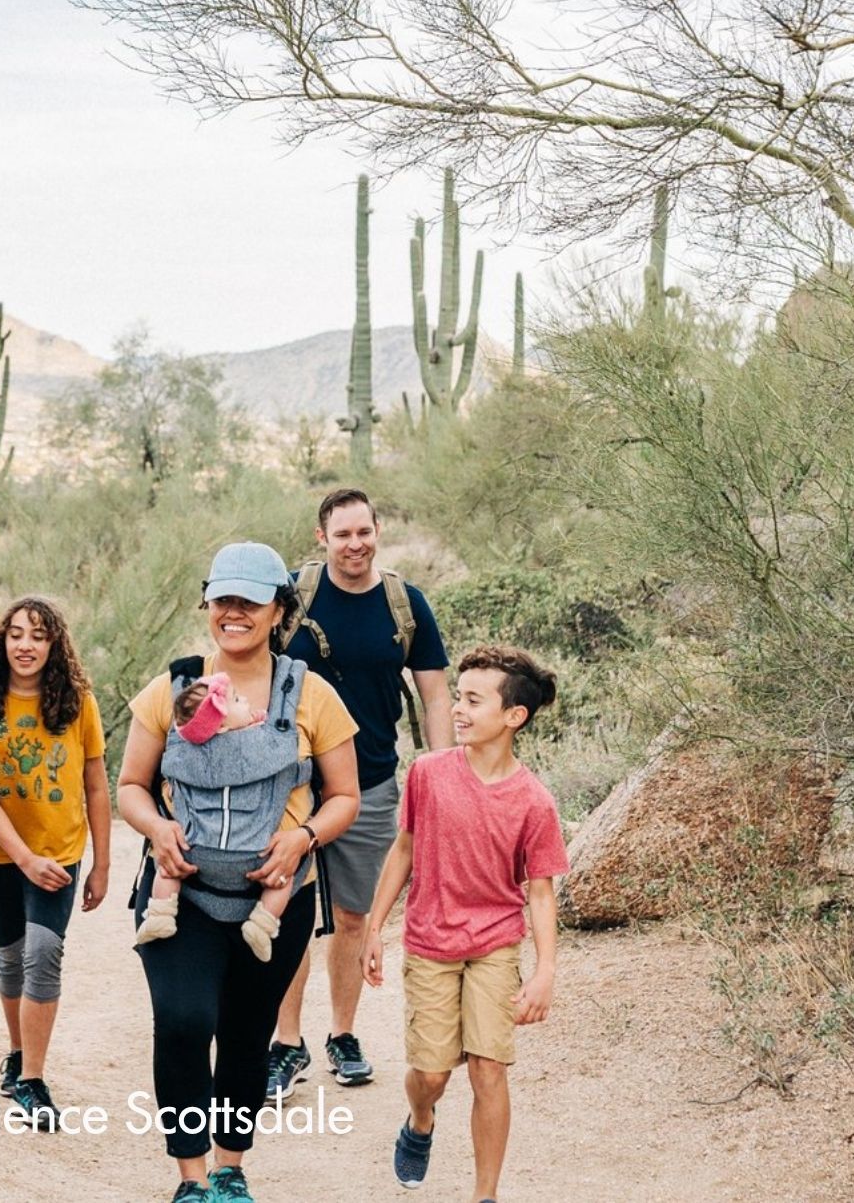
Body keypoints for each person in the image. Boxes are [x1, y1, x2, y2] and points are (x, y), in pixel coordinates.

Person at [118, 541, 361, 1203]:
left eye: (250, 602)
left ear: (277, 609)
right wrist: (157, 828)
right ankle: (191, 1178)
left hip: (276, 900)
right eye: (223, 599)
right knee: (185, 1021)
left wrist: (303, 839)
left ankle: (230, 1168)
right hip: (183, 894)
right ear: (208, 603)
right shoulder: (170, 689)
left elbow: (346, 797)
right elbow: (131, 787)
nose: (234, 613)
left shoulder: (311, 695)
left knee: (248, 1036)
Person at [360, 646, 568, 1203]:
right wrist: (375, 927)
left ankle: (485, 1194)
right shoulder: (428, 773)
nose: (458, 708)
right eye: (459, 696)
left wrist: (545, 970)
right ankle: (420, 1121)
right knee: (430, 1074)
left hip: (495, 945)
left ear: (513, 716)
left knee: (488, 1070)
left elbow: (540, 893)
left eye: (474, 700)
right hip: (430, 942)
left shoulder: (534, 802)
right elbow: (402, 850)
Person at [269, 487, 452, 1097]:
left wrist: (444, 767)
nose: (355, 544)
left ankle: (342, 1035)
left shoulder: (406, 605)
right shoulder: (294, 597)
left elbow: (434, 695)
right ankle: (284, 1044)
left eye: (364, 532)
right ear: (322, 538)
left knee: (354, 915)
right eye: (342, 534)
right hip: (289, 783)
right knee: (288, 910)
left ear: (379, 531)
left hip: (370, 780)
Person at [0, 595, 111, 1130]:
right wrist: (22, 858)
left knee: (43, 955)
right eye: (16, 634)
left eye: (38, 635)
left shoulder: (78, 702)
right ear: (2, 641)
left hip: (60, 851)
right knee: (11, 954)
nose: (26, 645)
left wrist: (102, 863)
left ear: (54, 644)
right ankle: (18, 1055)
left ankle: (34, 1081)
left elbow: (95, 784)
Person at [133, 672, 300, 961]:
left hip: (194, 850)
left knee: (169, 869)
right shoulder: (258, 741)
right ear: (221, 727)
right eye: (236, 700)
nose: (245, 699)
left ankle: (161, 911)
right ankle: (263, 923)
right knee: (282, 878)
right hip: (257, 854)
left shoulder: (190, 754)